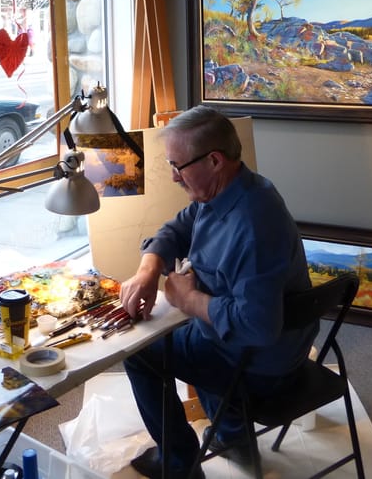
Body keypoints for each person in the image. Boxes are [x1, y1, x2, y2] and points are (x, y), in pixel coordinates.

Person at [119, 105, 316, 479]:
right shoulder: (229, 190)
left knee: (140, 353)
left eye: (178, 166)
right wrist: (149, 269)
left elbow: (258, 326)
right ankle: (234, 439)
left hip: (262, 363)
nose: (173, 177)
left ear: (214, 160)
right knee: (192, 330)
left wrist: (189, 300)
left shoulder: (253, 226)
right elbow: (177, 229)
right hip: (268, 345)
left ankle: (180, 466)